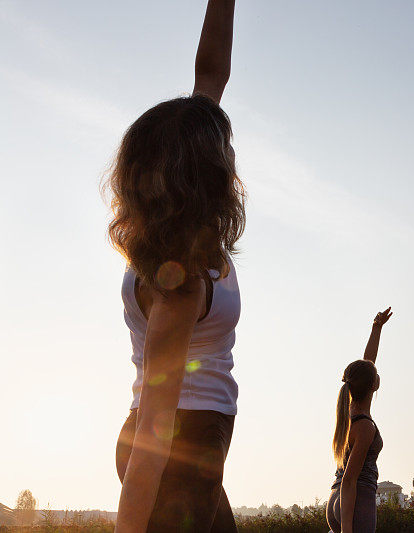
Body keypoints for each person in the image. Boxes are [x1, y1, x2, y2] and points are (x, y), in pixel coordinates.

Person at [108, 1, 243, 531]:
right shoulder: (178, 282)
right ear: (205, 173)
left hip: (191, 447)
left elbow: (210, 74)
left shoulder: (188, 241)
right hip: (174, 452)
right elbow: (150, 444)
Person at [326, 308, 393, 533]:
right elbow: (350, 480)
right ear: (373, 385)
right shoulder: (365, 427)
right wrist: (346, 529)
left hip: (336, 499)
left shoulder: (350, 411)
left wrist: (377, 328)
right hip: (356, 501)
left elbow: (368, 363)